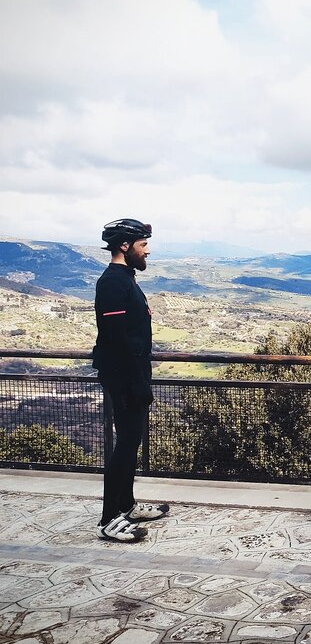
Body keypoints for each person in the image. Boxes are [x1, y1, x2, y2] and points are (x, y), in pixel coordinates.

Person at [92, 218, 168, 542]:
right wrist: (137, 382)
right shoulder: (112, 283)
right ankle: (110, 519)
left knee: (130, 440)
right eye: (142, 245)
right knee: (125, 445)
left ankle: (127, 504)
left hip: (131, 375)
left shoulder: (125, 278)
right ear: (125, 246)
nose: (147, 250)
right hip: (124, 376)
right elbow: (118, 338)